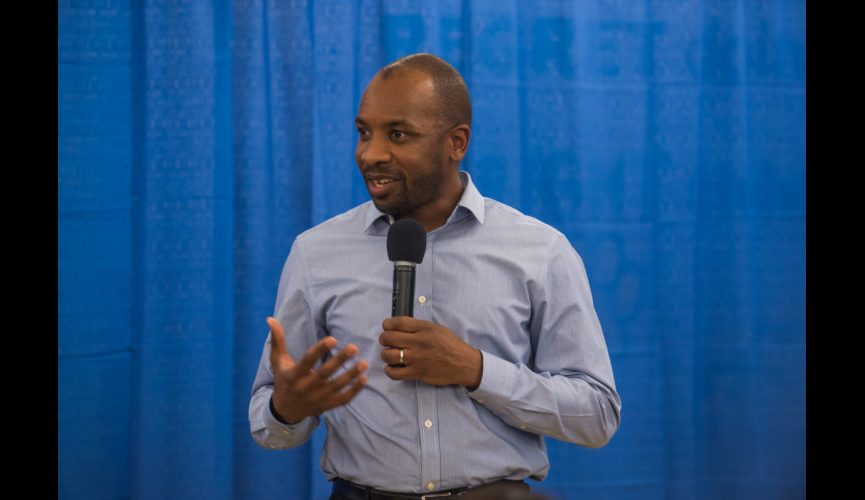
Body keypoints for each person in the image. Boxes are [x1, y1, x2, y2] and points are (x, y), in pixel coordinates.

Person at [249, 53, 621, 499]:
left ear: (456, 142)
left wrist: (476, 369)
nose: (371, 154)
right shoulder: (315, 253)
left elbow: (598, 416)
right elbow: (269, 426)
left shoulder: (540, 252)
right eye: (363, 132)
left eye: (398, 134)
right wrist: (285, 409)